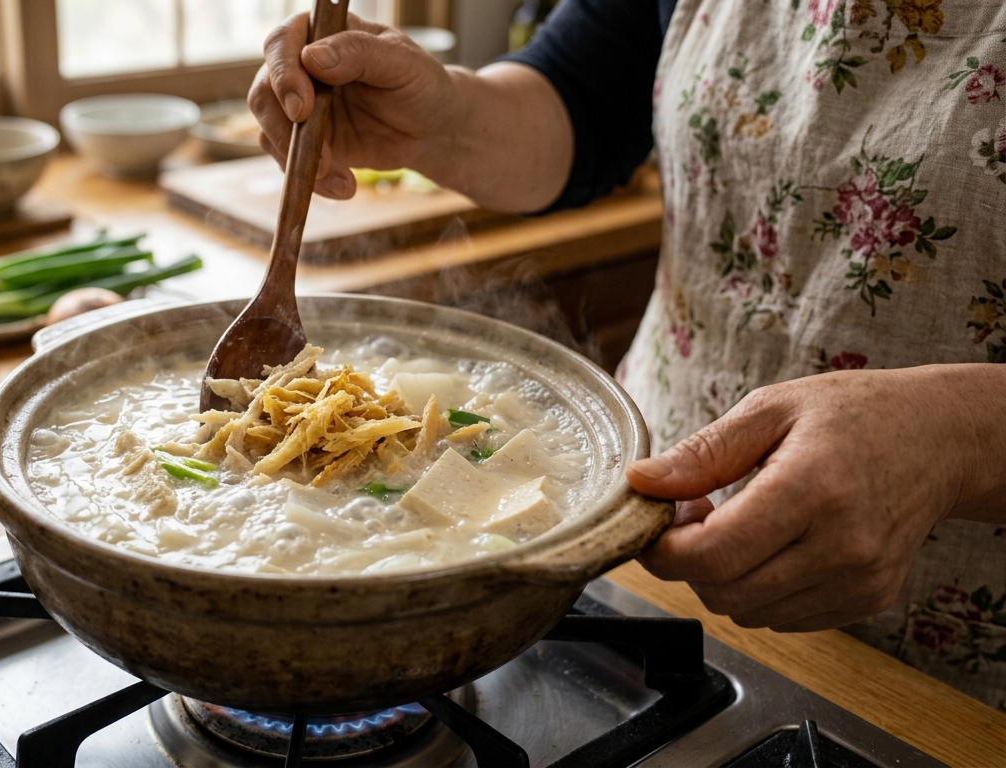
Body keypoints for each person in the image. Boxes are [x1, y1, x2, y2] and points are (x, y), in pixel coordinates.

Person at [251, 1, 1006, 710]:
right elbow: (586, 94)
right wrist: (441, 120)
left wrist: (958, 436)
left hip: (956, 659)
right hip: (640, 513)